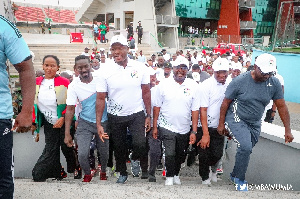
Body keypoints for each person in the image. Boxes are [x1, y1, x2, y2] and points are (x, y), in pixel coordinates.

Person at [217, 53, 294, 191]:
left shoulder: (274, 82)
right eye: (264, 72)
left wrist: (287, 130)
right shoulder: (239, 81)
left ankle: (234, 174)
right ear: (256, 67)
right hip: (236, 117)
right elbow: (225, 103)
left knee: (248, 148)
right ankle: (240, 179)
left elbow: (281, 106)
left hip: (255, 121)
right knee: (246, 146)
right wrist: (221, 124)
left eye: (270, 73)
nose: (266, 76)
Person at [96, 35, 151, 184]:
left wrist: (148, 115)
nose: (116, 52)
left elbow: (146, 91)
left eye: (120, 48)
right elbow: (101, 98)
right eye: (113, 49)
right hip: (115, 114)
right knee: (119, 147)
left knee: (140, 144)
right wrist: (99, 123)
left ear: (127, 49)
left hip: (136, 113)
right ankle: (122, 172)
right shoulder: (104, 70)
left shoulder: (140, 67)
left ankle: (134, 157)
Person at [0, 15, 35, 199]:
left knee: (2, 178)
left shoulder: (4, 27)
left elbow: (26, 67)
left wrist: (26, 111)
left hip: (0, 116)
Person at [152, 59, 200, 185]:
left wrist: (194, 131)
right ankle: (169, 176)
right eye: (178, 67)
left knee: (180, 154)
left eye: (183, 68)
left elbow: (195, 110)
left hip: (184, 127)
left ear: (187, 70)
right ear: (173, 69)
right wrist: (155, 126)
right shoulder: (163, 84)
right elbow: (157, 107)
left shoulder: (194, 85)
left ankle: (176, 174)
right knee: (170, 152)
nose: (180, 71)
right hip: (166, 125)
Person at [32, 55, 77, 182]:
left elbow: (71, 103)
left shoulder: (64, 82)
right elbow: (33, 103)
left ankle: (75, 166)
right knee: (51, 148)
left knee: (65, 146)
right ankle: (56, 171)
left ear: (58, 68)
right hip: (49, 122)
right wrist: (33, 121)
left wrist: (63, 117)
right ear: (42, 66)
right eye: (46, 65)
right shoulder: (36, 82)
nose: (49, 68)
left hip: (65, 120)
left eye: (52, 66)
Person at [64, 55, 109, 182]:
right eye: (80, 67)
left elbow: (102, 99)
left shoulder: (100, 79)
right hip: (85, 122)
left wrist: (100, 124)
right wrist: (67, 133)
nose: (83, 70)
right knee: (82, 153)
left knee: (104, 151)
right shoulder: (73, 85)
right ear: (75, 69)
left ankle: (104, 171)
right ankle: (88, 173)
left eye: (86, 66)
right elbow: (70, 109)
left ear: (90, 65)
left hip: (103, 121)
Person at [197, 58, 229, 185]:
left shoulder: (230, 84)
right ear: (213, 71)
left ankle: (213, 170)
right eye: (218, 72)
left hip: (219, 126)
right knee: (203, 153)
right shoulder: (205, 85)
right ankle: (204, 177)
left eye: (224, 72)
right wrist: (205, 133)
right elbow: (203, 110)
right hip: (205, 125)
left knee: (217, 154)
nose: (222, 75)